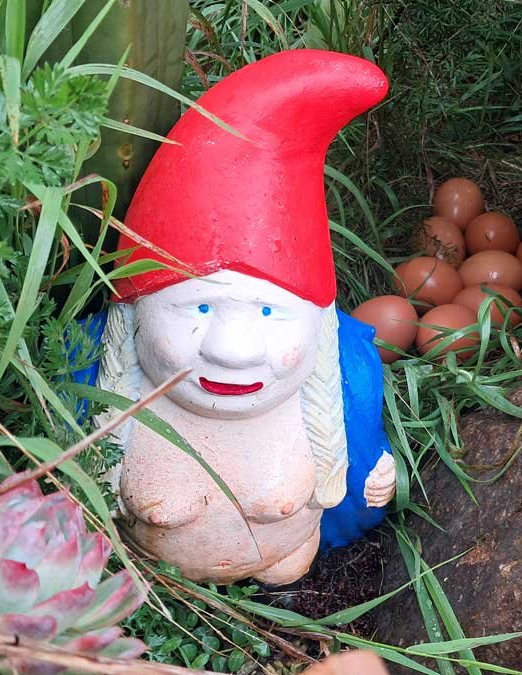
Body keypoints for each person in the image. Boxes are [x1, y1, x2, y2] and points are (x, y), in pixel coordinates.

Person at [95, 50, 396, 585]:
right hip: (142, 581)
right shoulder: (100, 376)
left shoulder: (340, 377)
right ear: (136, 311)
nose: (232, 350)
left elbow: (360, 454)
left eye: (269, 311)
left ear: (315, 322)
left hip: (286, 564)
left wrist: (375, 474)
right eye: (199, 307)